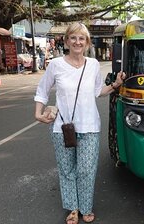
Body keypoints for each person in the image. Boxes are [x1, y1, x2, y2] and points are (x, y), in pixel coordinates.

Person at [34, 23, 126, 224]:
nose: (77, 42)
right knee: (67, 170)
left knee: (86, 170)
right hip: (62, 127)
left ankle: (86, 207)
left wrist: (115, 85)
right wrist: (38, 113)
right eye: (73, 38)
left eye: (81, 38)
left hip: (90, 127)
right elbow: (42, 90)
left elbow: (96, 91)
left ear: (86, 43)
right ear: (66, 41)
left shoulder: (92, 64)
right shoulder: (56, 64)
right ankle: (73, 208)